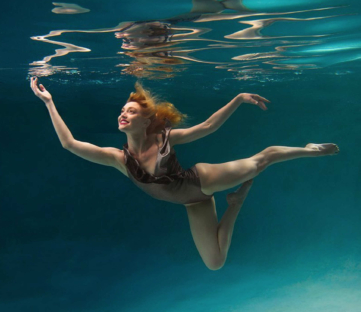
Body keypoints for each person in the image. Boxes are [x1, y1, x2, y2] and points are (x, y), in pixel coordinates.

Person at [29, 77, 339, 270]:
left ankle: (309, 149)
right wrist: (50, 102)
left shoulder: (165, 138)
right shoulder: (118, 159)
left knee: (261, 162)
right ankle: (236, 204)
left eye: (131, 111)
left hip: (201, 181)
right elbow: (69, 144)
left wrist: (238, 99)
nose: (123, 113)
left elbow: (206, 127)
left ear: (146, 119)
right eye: (122, 110)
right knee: (216, 263)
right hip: (192, 203)